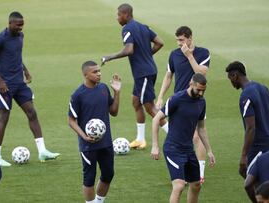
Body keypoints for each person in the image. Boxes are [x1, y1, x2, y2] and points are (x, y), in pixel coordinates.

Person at [0, 11, 59, 166]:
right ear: (10, 23)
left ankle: (42, 151)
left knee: (32, 112)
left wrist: (25, 70)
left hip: (19, 83)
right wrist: (0, 81)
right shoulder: (0, 39)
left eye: (22, 25)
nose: (20, 28)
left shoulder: (20, 36)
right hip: (4, 85)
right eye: (18, 25)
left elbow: (16, 56)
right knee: (4, 117)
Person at [101, 3, 167, 149]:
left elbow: (129, 49)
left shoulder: (127, 28)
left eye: (119, 15)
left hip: (143, 73)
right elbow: (159, 42)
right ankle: (140, 139)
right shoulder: (143, 26)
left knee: (150, 107)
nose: (117, 18)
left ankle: (174, 136)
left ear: (126, 14)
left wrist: (110, 57)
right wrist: (147, 55)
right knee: (136, 102)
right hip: (147, 71)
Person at [156, 26, 211, 183]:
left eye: (181, 40)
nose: (179, 43)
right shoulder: (174, 54)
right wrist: (160, 96)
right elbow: (168, 76)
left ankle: (199, 174)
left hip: (196, 100)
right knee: (179, 134)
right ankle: (183, 172)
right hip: (178, 102)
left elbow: (200, 74)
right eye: (177, 40)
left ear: (190, 38)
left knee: (197, 136)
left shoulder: (203, 53)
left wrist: (189, 56)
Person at [151, 73, 215, 203]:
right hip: (173, 149)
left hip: (188, 150)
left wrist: (209, 150)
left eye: (203, 91)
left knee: (196, 184)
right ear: (191, 84)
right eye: (198, 90)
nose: (201, 93)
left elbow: (201, 128)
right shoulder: (176, 99)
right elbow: (156, 119)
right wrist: (155, 145)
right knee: (179, 185)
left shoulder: (201, 102)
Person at [68, 61, 121, 203]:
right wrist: (84, 136)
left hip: (106, 142)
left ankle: (98, 201)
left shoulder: (104, 88)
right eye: (95, 72)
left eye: (99, 71)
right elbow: (71, 121)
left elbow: (114, 112)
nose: (99, 74)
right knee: (89, 178)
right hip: (88, 146)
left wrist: (117, 92)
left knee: (108, 174)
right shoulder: (78, 95)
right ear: (86, 74)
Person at [226, 61, 269, 179]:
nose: (231, 83)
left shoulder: (245, 96)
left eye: (230, 78)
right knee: (263, 175)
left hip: (259, 144)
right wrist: (265, 124)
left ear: (235, 75)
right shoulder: (262, 87)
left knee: (248, 175)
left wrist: (243, 155)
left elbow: (250, 128)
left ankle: (265, 196)